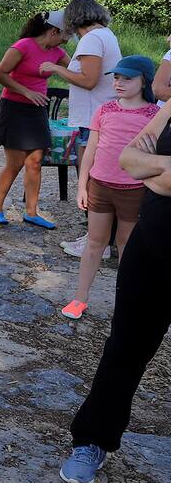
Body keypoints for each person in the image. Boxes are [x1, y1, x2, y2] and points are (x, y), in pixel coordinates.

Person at [59, 93, 171, 483]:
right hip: (154, 246)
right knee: (124, 349)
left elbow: (149, 170)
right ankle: (92, 439)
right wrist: (159, 171)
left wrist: (153, 170)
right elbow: (128, 159)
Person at [60, 56, 159, 320]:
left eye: (128, 78)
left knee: (127, 244)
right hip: (100, 186)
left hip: (134, 189)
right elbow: (90, 151)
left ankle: (126, 303)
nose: (120, 82)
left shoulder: (155, 116)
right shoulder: (105, 110)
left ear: (144, 81)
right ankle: (80, 298)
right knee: (94, 242)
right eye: (117, 77)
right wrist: (82, 186)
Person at [41, 0, 121, 257]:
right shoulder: (105, 35)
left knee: (92, 181)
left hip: (92, 119)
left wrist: (55, 68)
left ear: (74, 19)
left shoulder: (91, 40)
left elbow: (88, 80)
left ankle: (97, 242)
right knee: (99, 178)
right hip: (100, 116)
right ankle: (98, 237)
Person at [0, 10, 69, 228]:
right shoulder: (23, 46)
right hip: (15, 108)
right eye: (66, 35)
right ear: (53, 31)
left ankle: (31, 212)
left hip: (37, 110)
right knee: (14, 163)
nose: (68, 40)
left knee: (35, 162)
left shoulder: (57, 52)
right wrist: (26, 92)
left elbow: (75, 70)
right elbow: (0, 74)